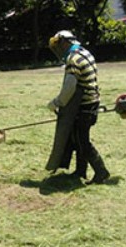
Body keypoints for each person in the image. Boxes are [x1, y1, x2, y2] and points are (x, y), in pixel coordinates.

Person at [45, 30, 110, 184]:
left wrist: (56, 103)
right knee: (78, 139)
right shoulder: (85, 53)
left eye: (59, 45)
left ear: (65, 42)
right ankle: (80, 172)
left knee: (82, 141)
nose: (58, 49)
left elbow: (70, 87)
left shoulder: (73, 59)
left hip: (84, 105)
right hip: (92, 102)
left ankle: (101, 172)